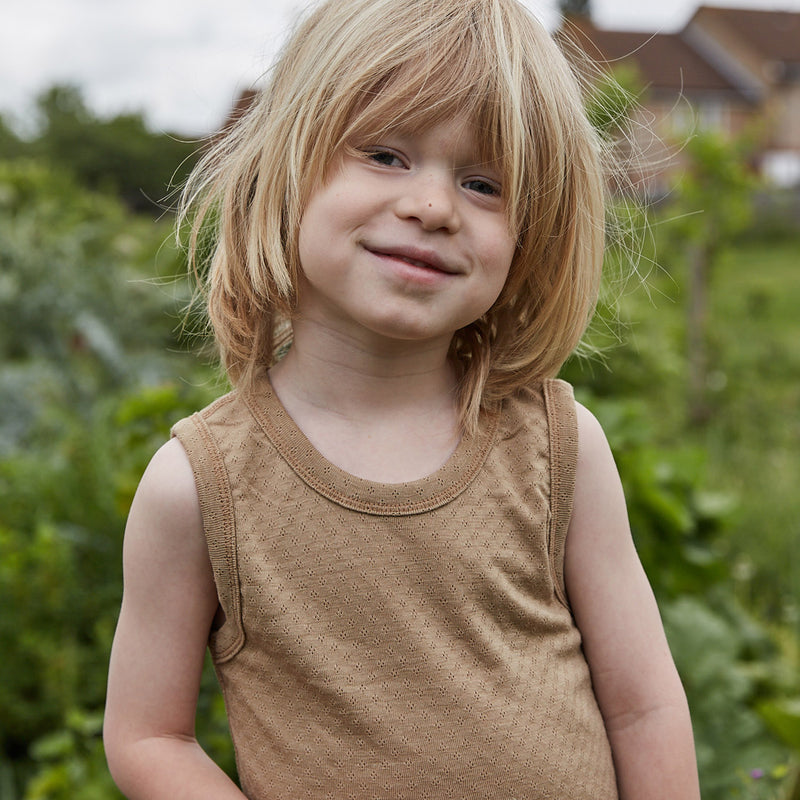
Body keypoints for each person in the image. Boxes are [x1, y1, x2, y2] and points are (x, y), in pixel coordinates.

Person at [103, 0, 701, 797]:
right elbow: (149, 735)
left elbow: (644, 709)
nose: (433, 206)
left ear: (530, 239)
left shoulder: (561, 446)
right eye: (386, 155)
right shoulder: (199, 485)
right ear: (287, 169)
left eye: (483, 183)